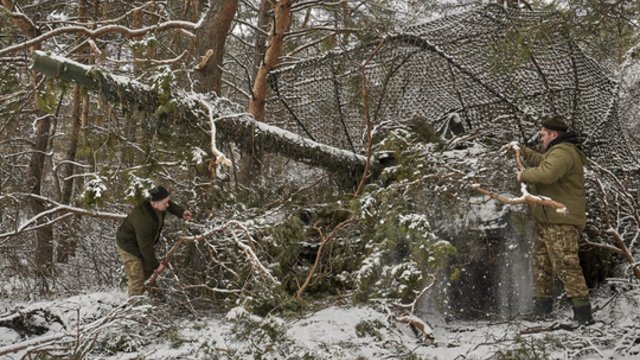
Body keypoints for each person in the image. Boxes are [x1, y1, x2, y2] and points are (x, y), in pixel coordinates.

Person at [507, 115, 594, 325]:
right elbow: (543, 162)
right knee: (542, 265)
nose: (541, 138)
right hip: (548, 221)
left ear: (554, 134)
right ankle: (542, 310)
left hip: (562, 220)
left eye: (543, 134)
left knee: (566, 264)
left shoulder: (564, 152)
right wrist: (523, 151)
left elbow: (547, 174)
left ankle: (583, 316)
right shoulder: (556, 152)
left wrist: (523, 175)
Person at [116, 185, 192, 297]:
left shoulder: (159, 204)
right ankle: (133, 309)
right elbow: (145, 247)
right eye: (164, 203)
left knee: (149, 273)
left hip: (142, 244)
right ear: (153, 203)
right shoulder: (144, 219)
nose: (167, 205)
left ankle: (154, 302)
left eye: (167, 201)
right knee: (137, 277)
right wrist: (156, 265)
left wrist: (181, 212)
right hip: (128, 246)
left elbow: (169, 205)